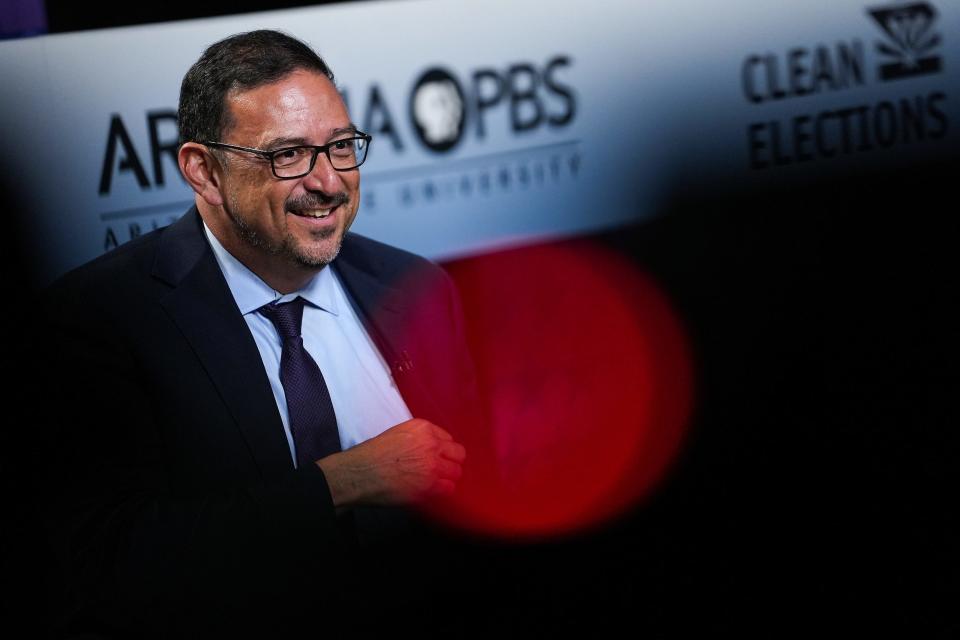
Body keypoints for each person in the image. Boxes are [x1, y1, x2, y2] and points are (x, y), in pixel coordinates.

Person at [34, 30, 485, 637]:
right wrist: (343, 482)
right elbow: (111, 561)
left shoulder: (414, 285)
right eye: (288, 155)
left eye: (341, 146)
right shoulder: (100, 319)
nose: (328, 182)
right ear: (205, 172)